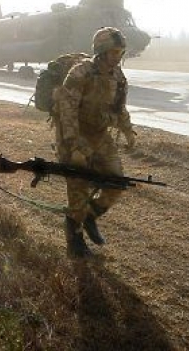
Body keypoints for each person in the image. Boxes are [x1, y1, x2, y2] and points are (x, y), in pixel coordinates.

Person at [52, 27, 137, 258]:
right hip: (74, 134)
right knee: (78, 187)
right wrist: (74, 146)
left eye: (120, 52)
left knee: (117, 182)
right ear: (100, 51)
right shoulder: (81, 73)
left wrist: (128, 131)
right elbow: (66, 111)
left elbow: (120, 109)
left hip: (99, 134)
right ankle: (75, 239)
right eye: (113, 52)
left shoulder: (118, 78)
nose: (117, 57)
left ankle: (91, 216)